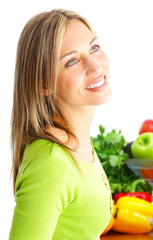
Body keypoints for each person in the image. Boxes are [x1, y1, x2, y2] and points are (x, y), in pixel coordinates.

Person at [9, 9, 112, 240]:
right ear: (45, 83)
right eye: (72, 61)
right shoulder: (51, 163)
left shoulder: (76, 142)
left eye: (94, 48)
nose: (96, 67)